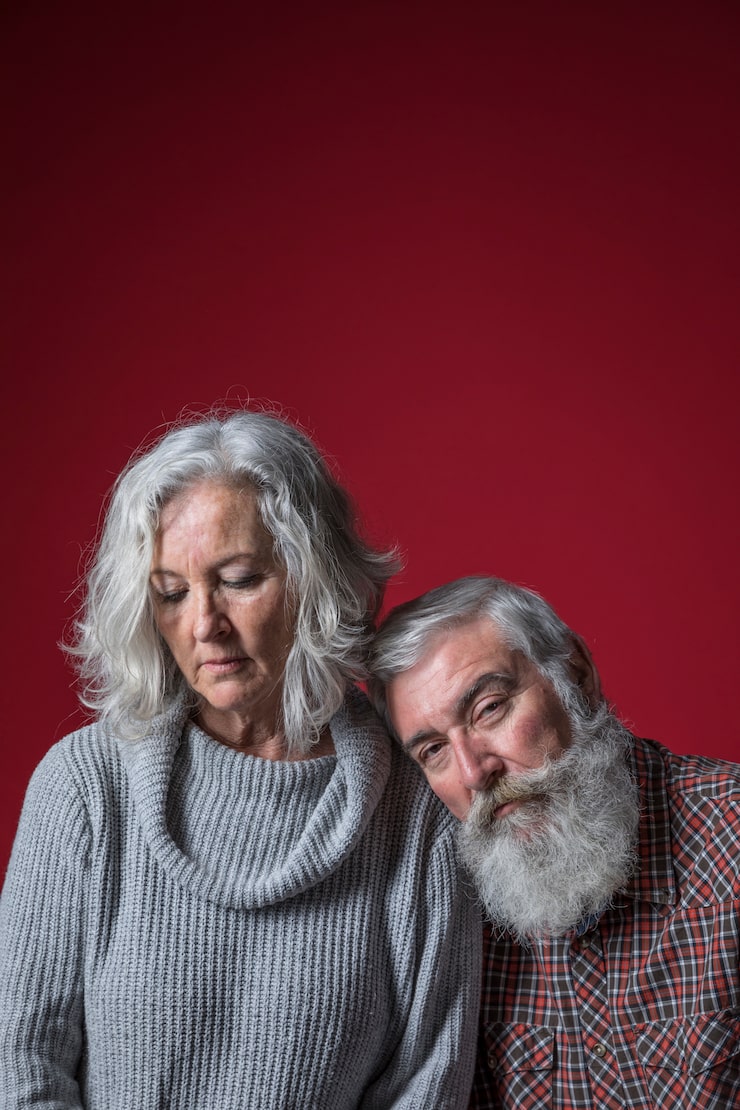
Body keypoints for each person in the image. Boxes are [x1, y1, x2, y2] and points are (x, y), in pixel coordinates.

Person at [0, 409, 481, 1109]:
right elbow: (19, 1067)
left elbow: (427, 1086)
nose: (204, 624)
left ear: (316, 579)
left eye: (239, 579)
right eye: (171, 593)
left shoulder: (416, 813)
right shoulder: (84, 788)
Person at [368, 575, 740, 1110]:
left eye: (489, 709)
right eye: (433, 750)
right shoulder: (440, 919)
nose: (473, 772)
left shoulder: (729, 835)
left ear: (576, 675)